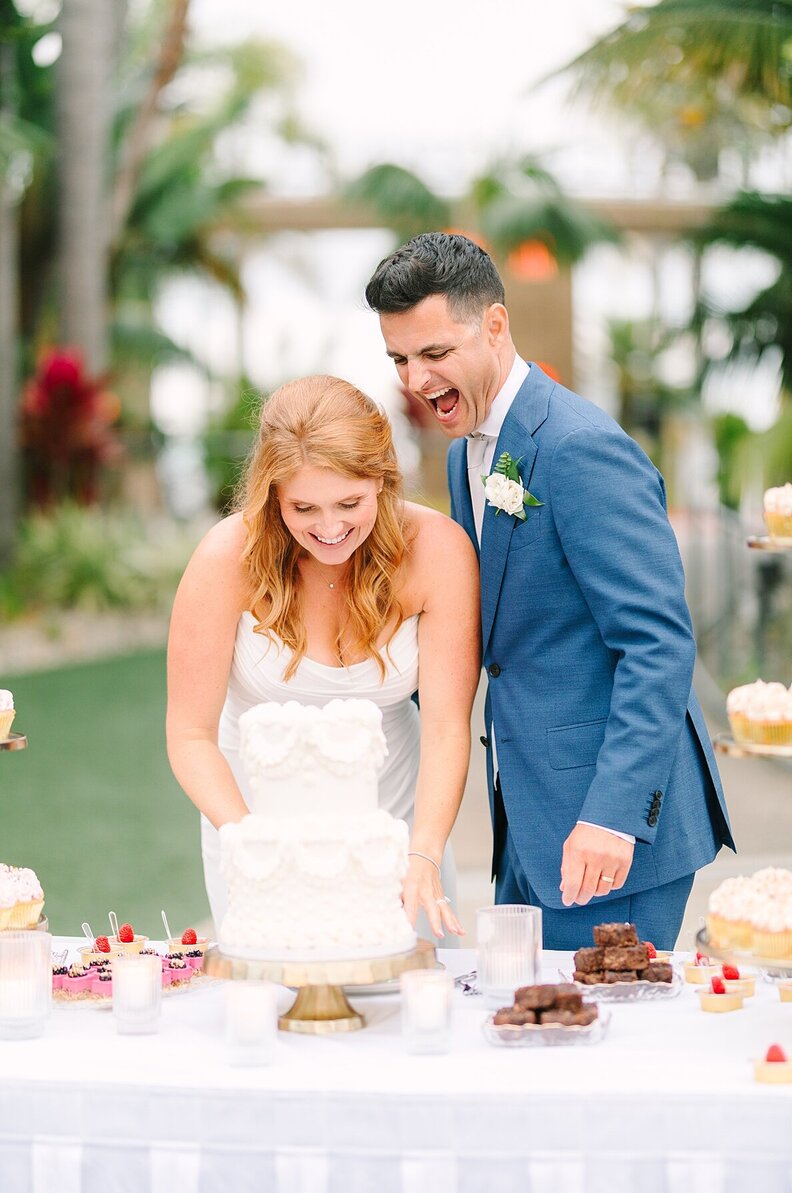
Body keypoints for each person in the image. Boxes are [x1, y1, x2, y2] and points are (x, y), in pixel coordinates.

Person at [365, 232, 734, 950]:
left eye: (434, 354)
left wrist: (613, 816)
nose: (414, 379)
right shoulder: (464, 454)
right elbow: (486, 628)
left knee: (601, 1048)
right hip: (530, 822)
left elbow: (657, 645)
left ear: (495, 326)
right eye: (400, 359)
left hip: (613, 835)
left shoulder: (578, 448)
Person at [166, 374, 480, 944]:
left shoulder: (438, 551)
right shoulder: (224, 558)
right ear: (271, 495)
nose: (330, 528)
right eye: (304, 507)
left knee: (408, 989)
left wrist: (425, 851)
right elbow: (189, 734)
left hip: (398, 818)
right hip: (251, 813)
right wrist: (256, 845)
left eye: (350, 503)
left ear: (383, 482)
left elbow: (445, 728)